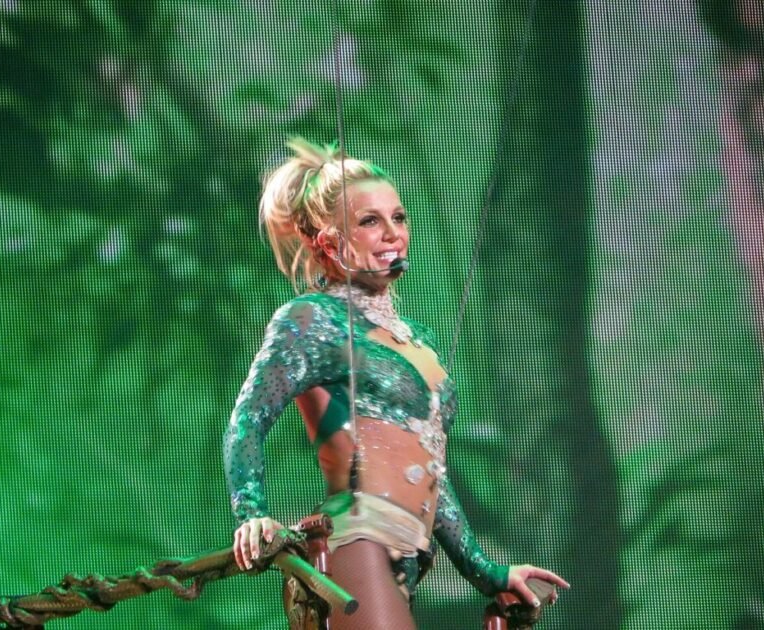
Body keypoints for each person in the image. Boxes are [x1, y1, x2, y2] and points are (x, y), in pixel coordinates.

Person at [223, 138, 569, 628]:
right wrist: (252, 513)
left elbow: (430, 472)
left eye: (399, 217)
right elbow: (247, 421)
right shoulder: (313, 321)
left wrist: (486, 571)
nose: (393, 234)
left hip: (409, 557)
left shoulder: (419, 341)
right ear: (330, 243)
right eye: (370, 221)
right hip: (356, 540)